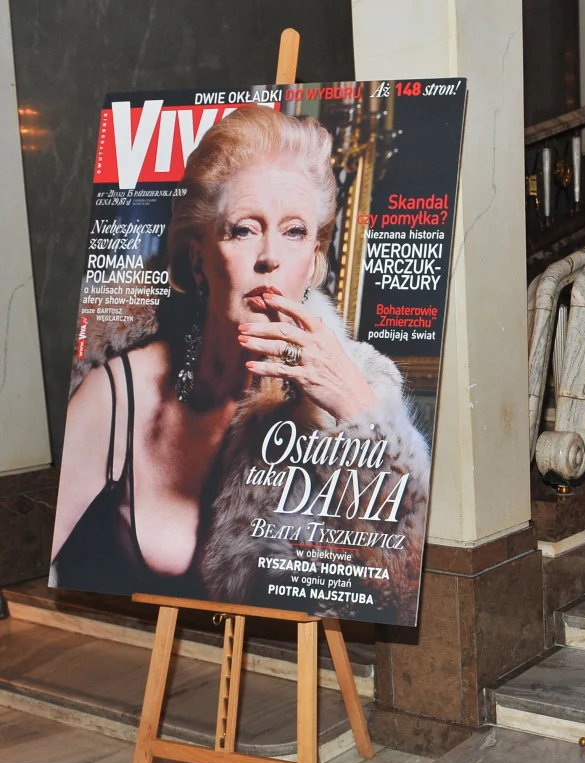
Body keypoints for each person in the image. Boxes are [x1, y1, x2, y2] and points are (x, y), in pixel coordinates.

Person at [50, 105, 429, 620]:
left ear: (314, 261)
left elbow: (400, 581)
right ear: (197, 256)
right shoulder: (118, 390)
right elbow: (40, 572)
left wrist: (354, 407)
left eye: (295, 232)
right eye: (244, 229)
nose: (270, 255)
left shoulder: (360, 388)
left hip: (288, 679)